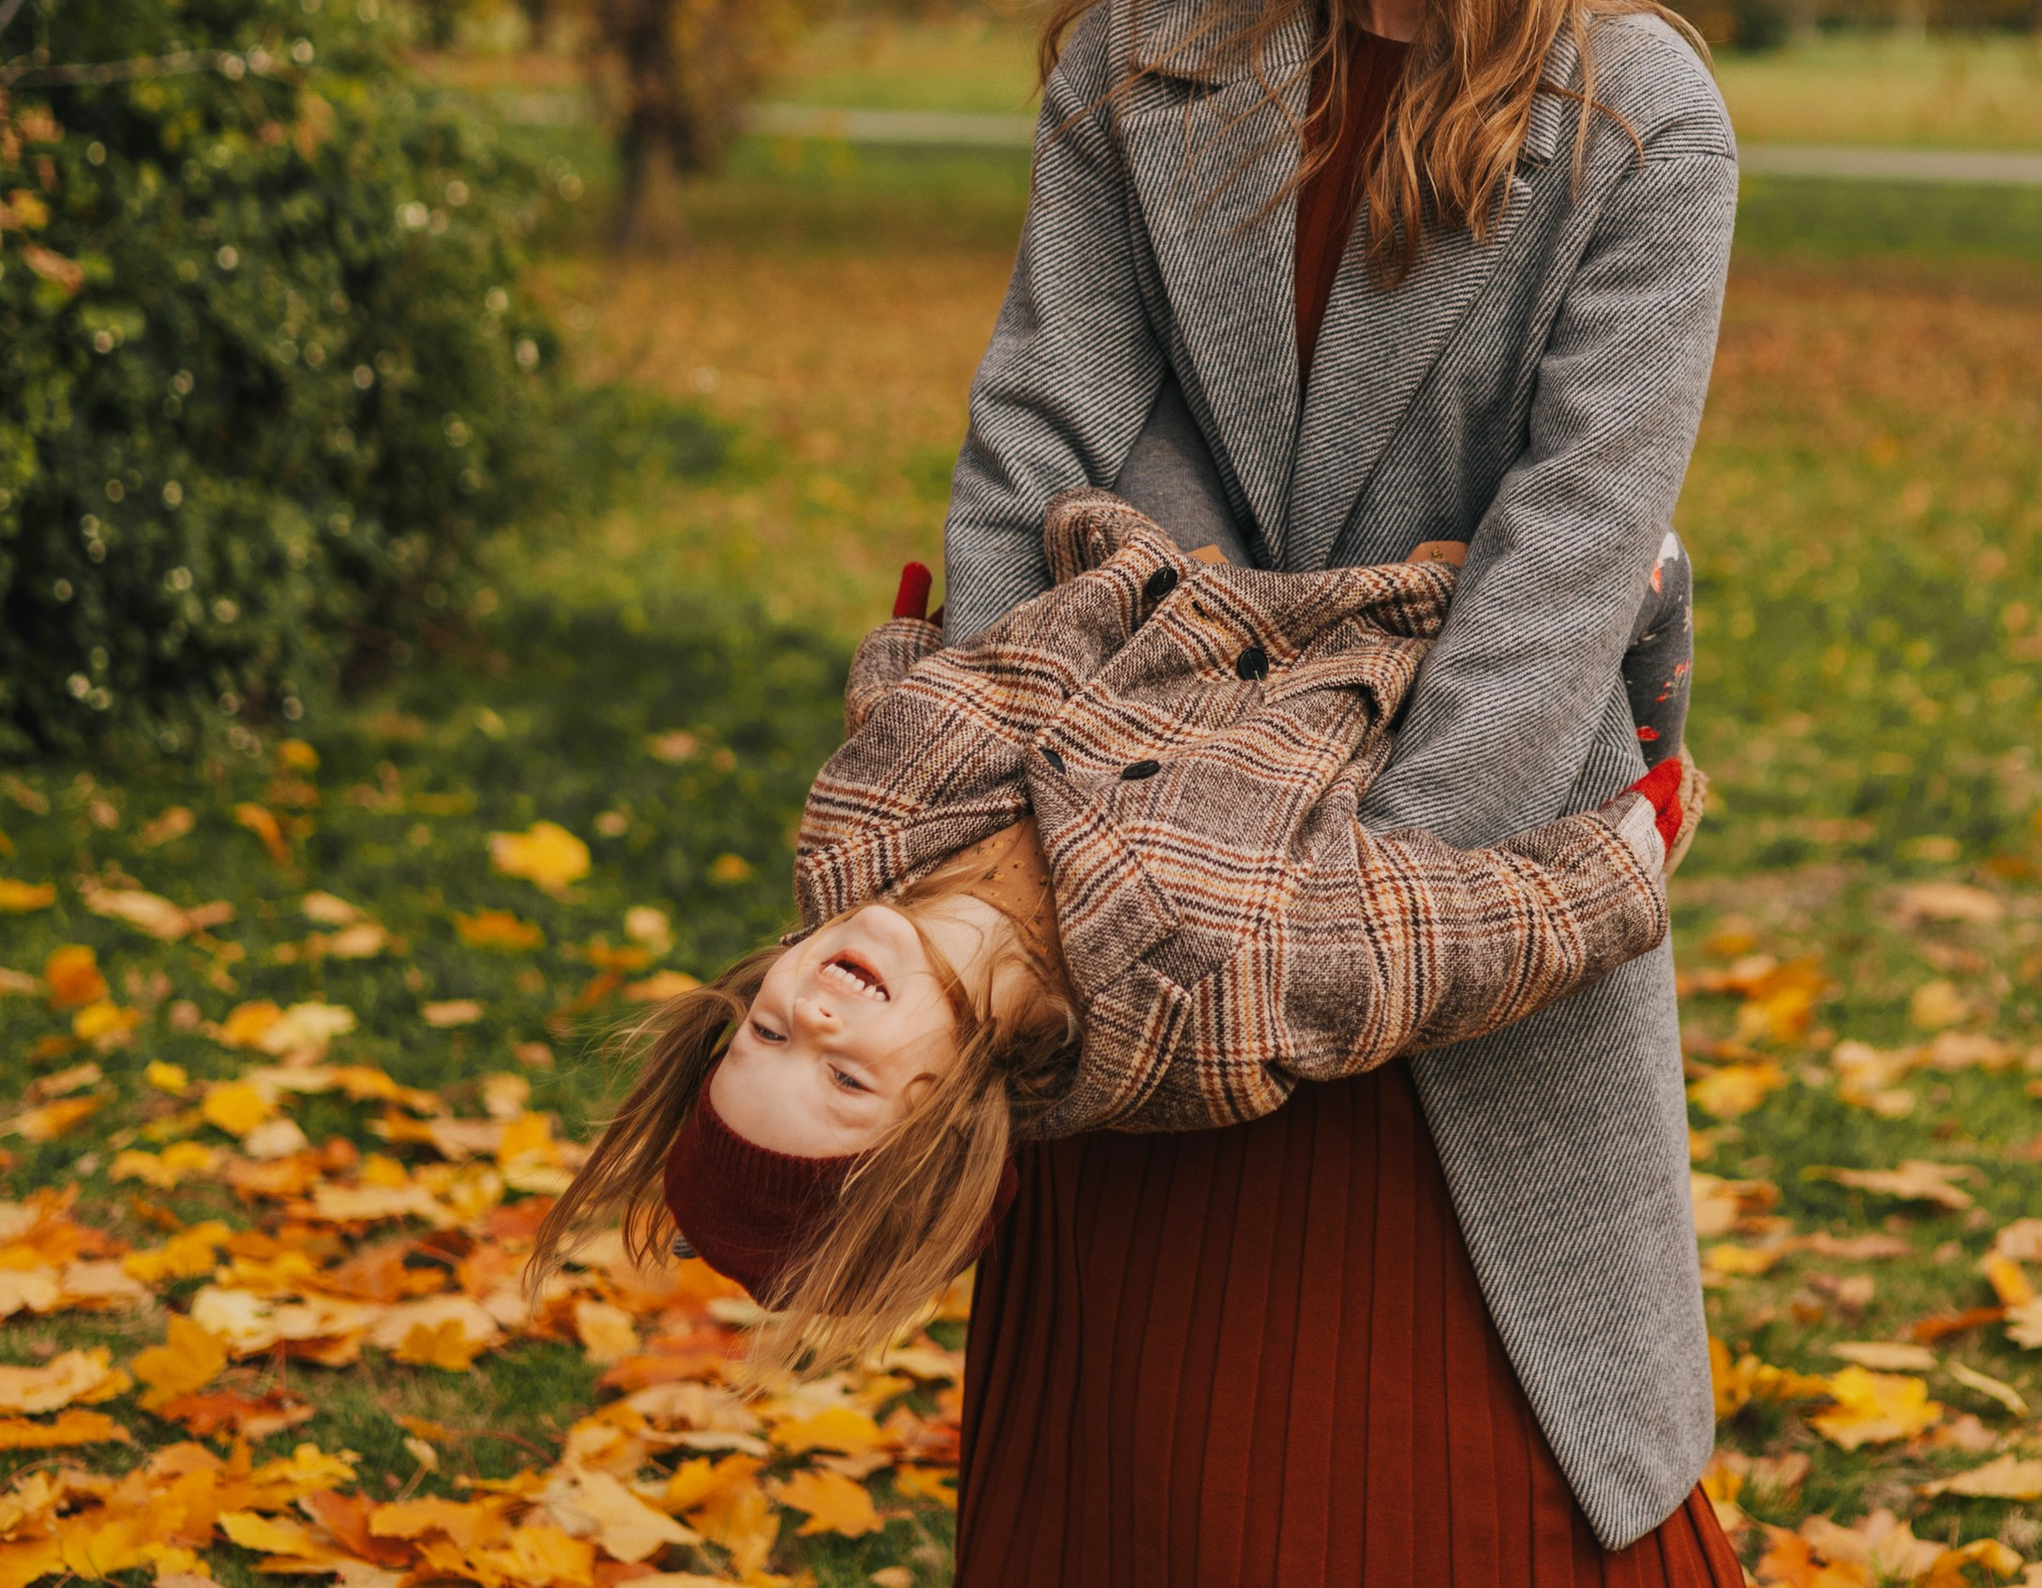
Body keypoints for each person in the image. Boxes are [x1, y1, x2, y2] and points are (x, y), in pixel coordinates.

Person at [850, 0, 1955, 1588]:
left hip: (1465, 858)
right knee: (1100, 1413)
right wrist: (1007, 800)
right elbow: (1040, 434)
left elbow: (1583, 538)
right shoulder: (1151, 61)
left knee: (1600, 1437)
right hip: (1143, 826)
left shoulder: (1638, 115)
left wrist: (1368, 924)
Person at [529, 494, 1687, 1355]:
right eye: (843, 1081)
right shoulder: (1191, 989)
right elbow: (1426, 945)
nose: (814, 1012)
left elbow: (899, 718)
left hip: (1136, 553)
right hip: (1370, 630)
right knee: (1634, 566)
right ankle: (1650, 721)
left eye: (766, 1038)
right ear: (940, 1123)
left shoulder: (851, 843)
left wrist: (902, 643)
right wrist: (1620, 860)